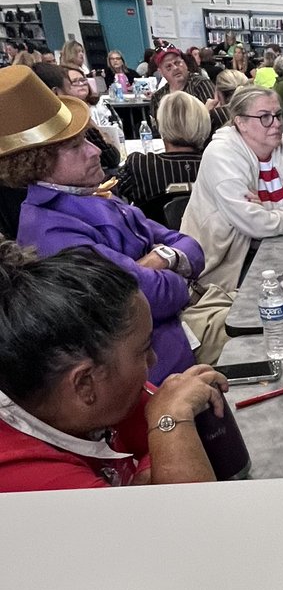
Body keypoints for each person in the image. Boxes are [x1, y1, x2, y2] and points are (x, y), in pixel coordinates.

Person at [0, 66, 207, 384]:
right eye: (75, 146)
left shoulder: (93, 198)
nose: (95, 150)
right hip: (161, 370)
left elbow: (192, 247)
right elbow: (145, 300)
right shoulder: (50, 232)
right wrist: (177, 275)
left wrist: (159, 259)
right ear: (37, 161)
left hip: (184, 340)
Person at [0, 241, 228, 491]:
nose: (153, 360)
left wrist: (156, 466)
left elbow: (155, 453)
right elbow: (192, 524)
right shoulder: (29, 479)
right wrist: (170, 422)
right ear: (84, 383)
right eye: (144, 349)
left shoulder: (91, 394)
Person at [181, 84, 283, 291]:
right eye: (265, 117)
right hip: (230, 266)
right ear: (241, 122)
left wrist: (267, 212)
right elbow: (255, 225)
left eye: (278, 115)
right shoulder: (221, 154)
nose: (276, 124)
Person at [118, 92, 209, 223]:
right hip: (209, 238)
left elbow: (116, 198)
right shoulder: (217, 165)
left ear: (160, 125)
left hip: (156, 239)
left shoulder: (139, 165)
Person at [32, 63, 121, 172]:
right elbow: (112, 158)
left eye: (83, 80)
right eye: (70, 86)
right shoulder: (74, 122)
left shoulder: (29, 127)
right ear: (55, 93)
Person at [149, 47, 215, 128]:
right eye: (168, 66)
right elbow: (158, 130)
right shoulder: (157, 97)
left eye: (177, 63)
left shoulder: (201, 85)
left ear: (185, 64)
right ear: (161, 72)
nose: (175, 68)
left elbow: (215, 120)